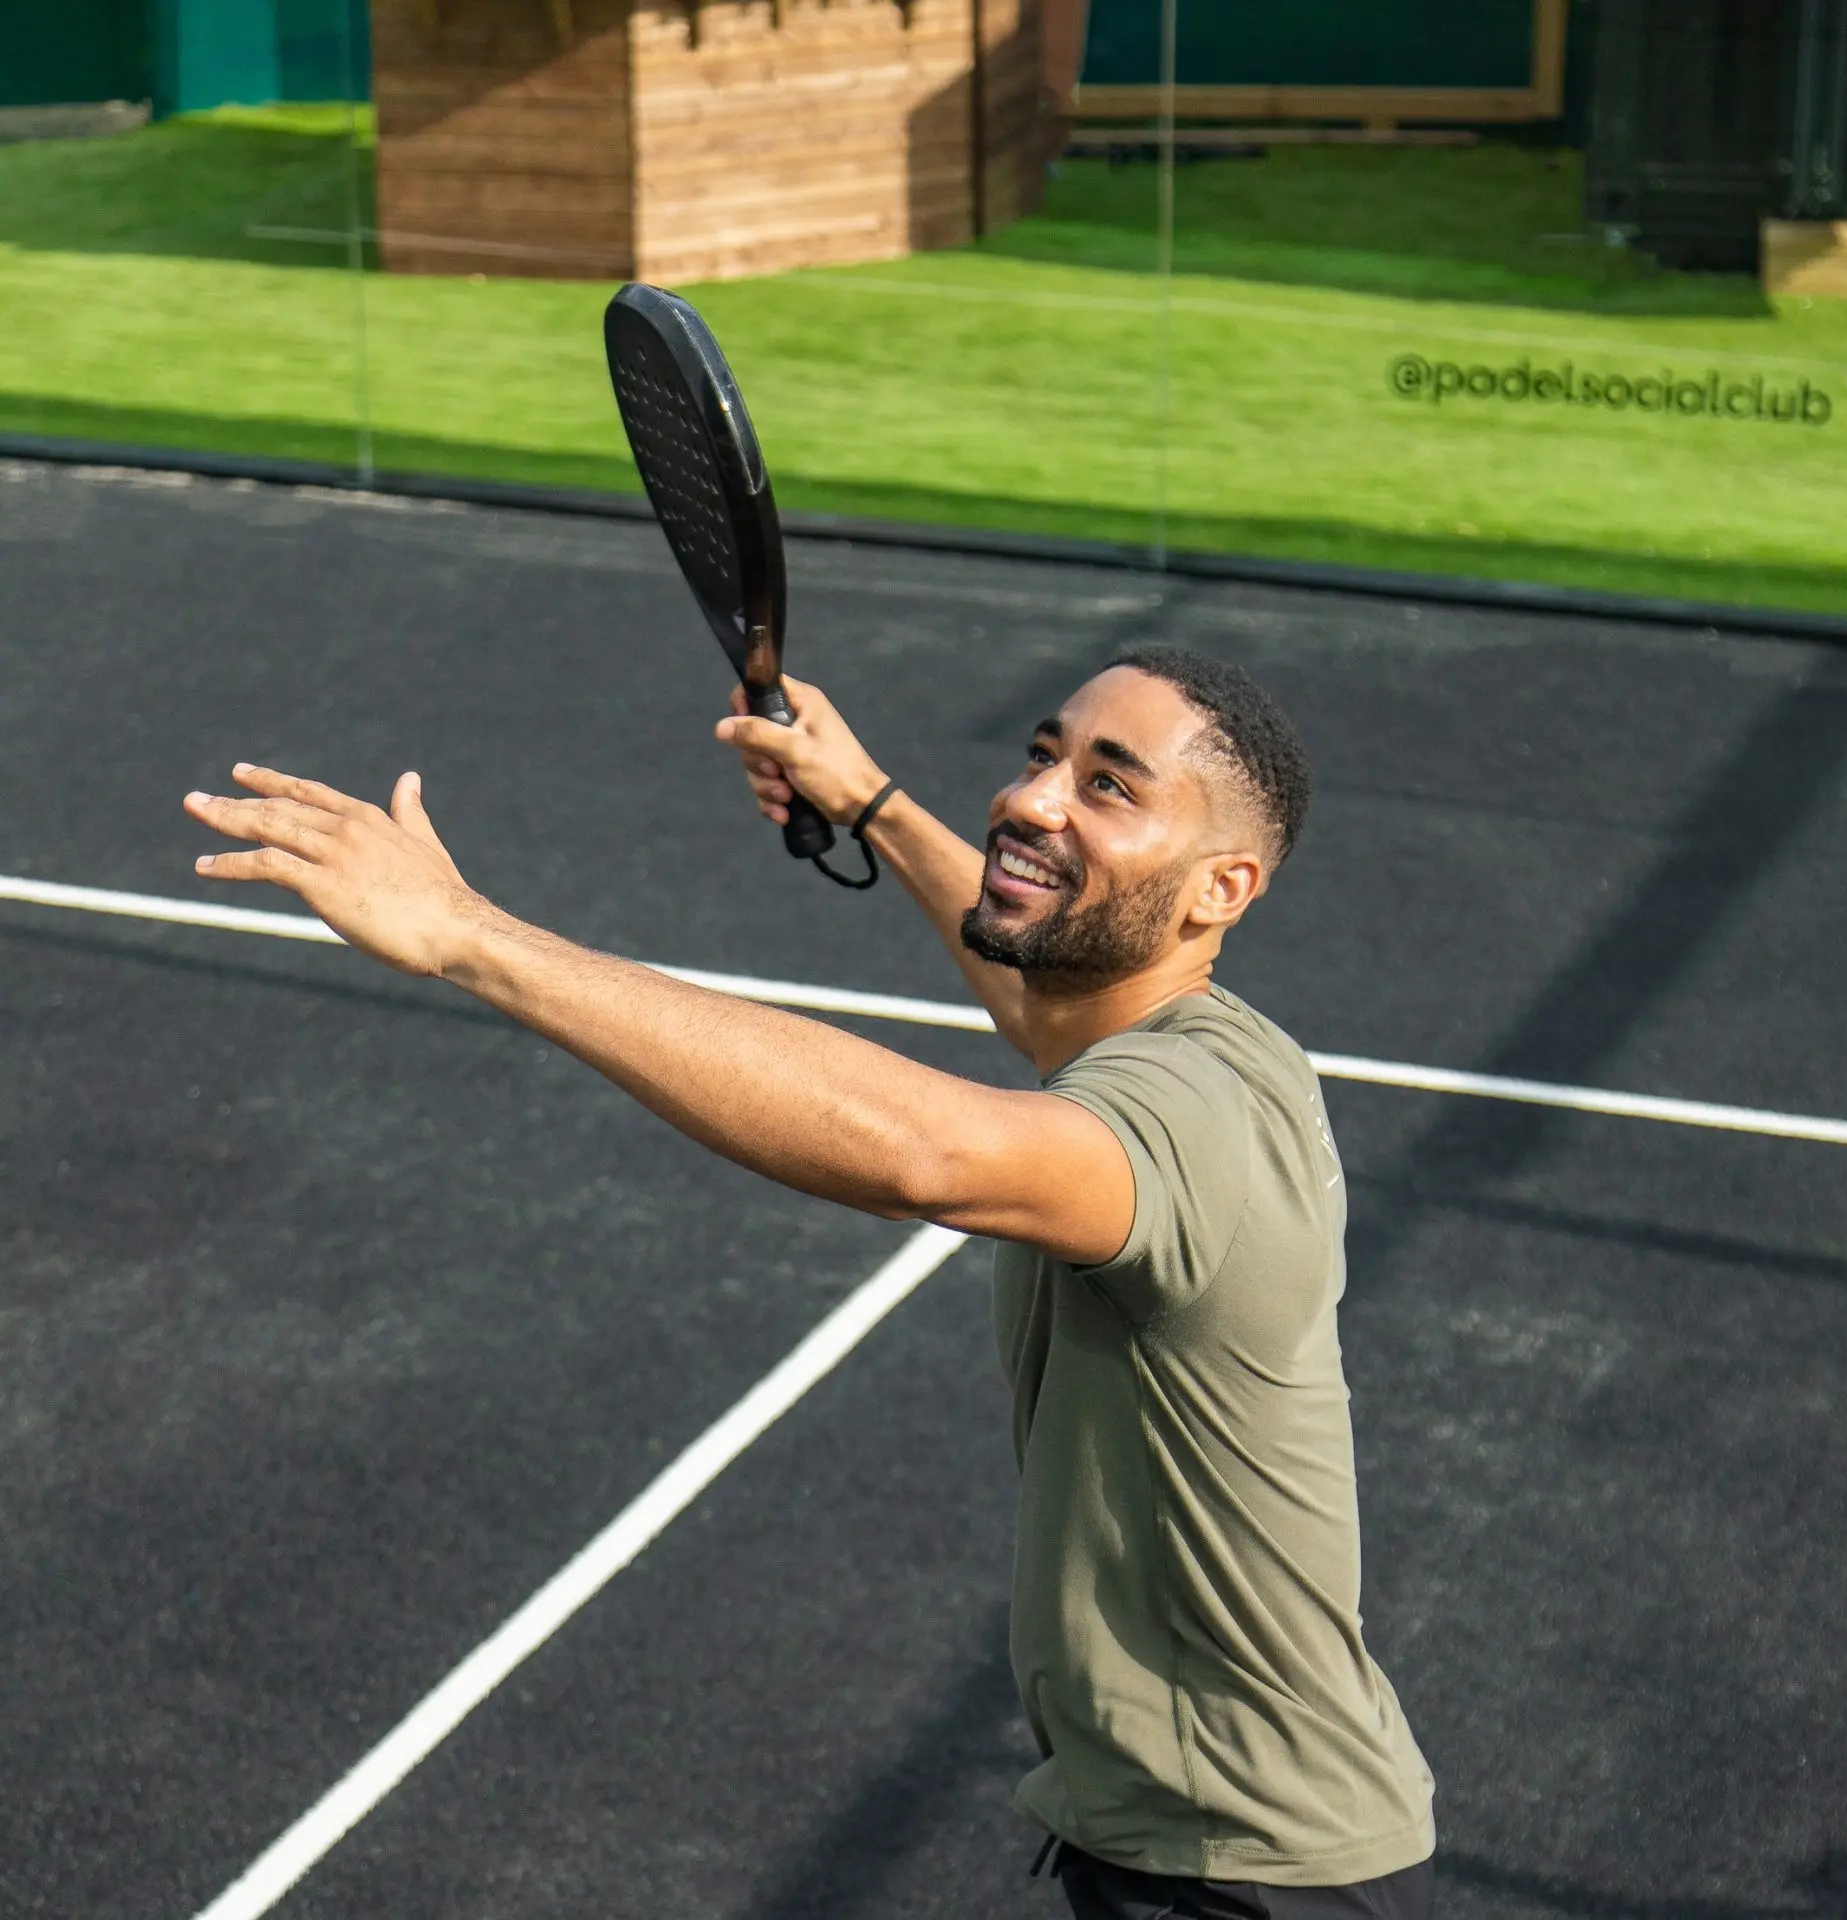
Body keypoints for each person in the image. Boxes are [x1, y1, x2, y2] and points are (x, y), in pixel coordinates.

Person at [182, 645, 1434, 1920]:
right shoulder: (1192, 1037)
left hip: (1240, 1875)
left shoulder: (1196, 1122)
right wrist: (874, 803)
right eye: (1044, 754)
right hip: (1215, 1838)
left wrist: (473, 937)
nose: (1035, 798)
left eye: (1111, 789)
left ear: (1223, 887)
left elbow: (929, 1155)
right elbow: (1046, 997)